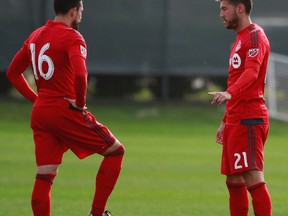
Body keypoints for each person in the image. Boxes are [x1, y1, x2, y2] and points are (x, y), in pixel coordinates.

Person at [6, 0, 124, 215]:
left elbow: (13, 73)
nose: (81, 16)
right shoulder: (72, 36)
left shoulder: (36, 35)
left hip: (41, 111)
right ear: (73, 11)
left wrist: (37, 100)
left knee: (44, 175)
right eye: (81, 11)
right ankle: (96, 213)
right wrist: (79, 103)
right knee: (116, 151)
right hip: (64, 109)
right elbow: (81, 74)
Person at [209, 0, 272, 215]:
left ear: (240, 8)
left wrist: (229, 94)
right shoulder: (239, 39)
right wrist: (225, 120)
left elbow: (252, 73)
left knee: (253, 177)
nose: (221, 15)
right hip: (236, 118)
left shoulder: (255, 35)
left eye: (224, 9)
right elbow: (236, 77)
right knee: (233, 180)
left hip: (250, 118)